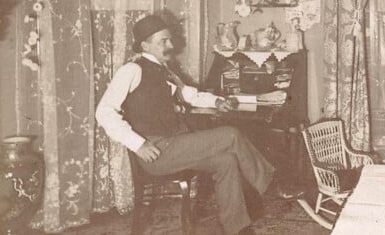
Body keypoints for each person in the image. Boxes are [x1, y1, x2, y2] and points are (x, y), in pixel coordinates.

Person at [95, 14, 300, 235]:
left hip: (174, 145)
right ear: (145, 45)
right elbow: (104, 112)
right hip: (156, 152)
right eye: (163, 41)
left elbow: (191, 95)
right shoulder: (132, 70)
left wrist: (217, 101)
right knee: (231, 134)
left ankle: (237, 228)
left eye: (170, 39)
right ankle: (272, 185)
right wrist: (138, 144)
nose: (170, 45)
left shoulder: (165, 70)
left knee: (227, 161)